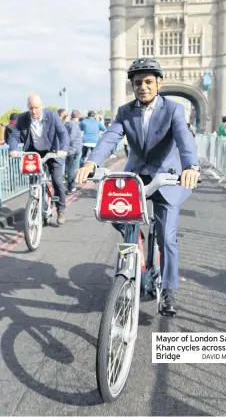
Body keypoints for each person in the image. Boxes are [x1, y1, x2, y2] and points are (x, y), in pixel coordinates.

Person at [76, 58, 200, 316]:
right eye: (137, 83)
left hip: (167, 176)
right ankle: (137, 239)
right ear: (132, 86)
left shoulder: (174, 109)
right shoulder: (125, 111)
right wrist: (90, 163)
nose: (142, 86)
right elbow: (110, 137)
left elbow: (184, 138)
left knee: (166, 236)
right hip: (137, 174)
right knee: (114, 210)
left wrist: (191, 167)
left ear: (158, 83)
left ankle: (168, 290)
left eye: (147, 82)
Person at [7, 94, 69, 224]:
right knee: (33, 181)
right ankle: (36, 205)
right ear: (27, 107)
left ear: (41, 106)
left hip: (53, 152)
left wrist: (63, 150)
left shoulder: (52, 115)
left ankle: (60, 209)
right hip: (33, 152)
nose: (33, 111)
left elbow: (63, 133)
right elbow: (14, 135)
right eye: (31, 108)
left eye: (36, 108)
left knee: (57, 182)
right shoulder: (23, 118)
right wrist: (13, 149)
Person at [65, 110, 83, 194]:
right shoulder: (74, 125)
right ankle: (71, 187)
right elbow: (71, 137)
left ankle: (70, 186)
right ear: (78, 117)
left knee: (69, 168)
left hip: (70, 149)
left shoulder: (68, 124)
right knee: (73, 169)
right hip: (74, 149)